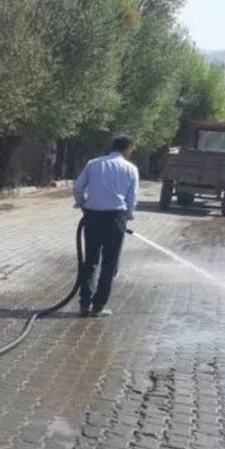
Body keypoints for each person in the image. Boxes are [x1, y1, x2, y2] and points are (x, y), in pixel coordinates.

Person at [73, 135, 139, 317]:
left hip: (92, 217)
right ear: (127, 148)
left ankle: (84, 304)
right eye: (132, 149)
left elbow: (78, 187)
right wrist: (128, 216)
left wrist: (82, 203)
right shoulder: (131, 169)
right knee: (110, 263)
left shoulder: (93, 164)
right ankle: (98, 306)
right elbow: (131, 198)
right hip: (115, 219)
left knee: (90, 261)